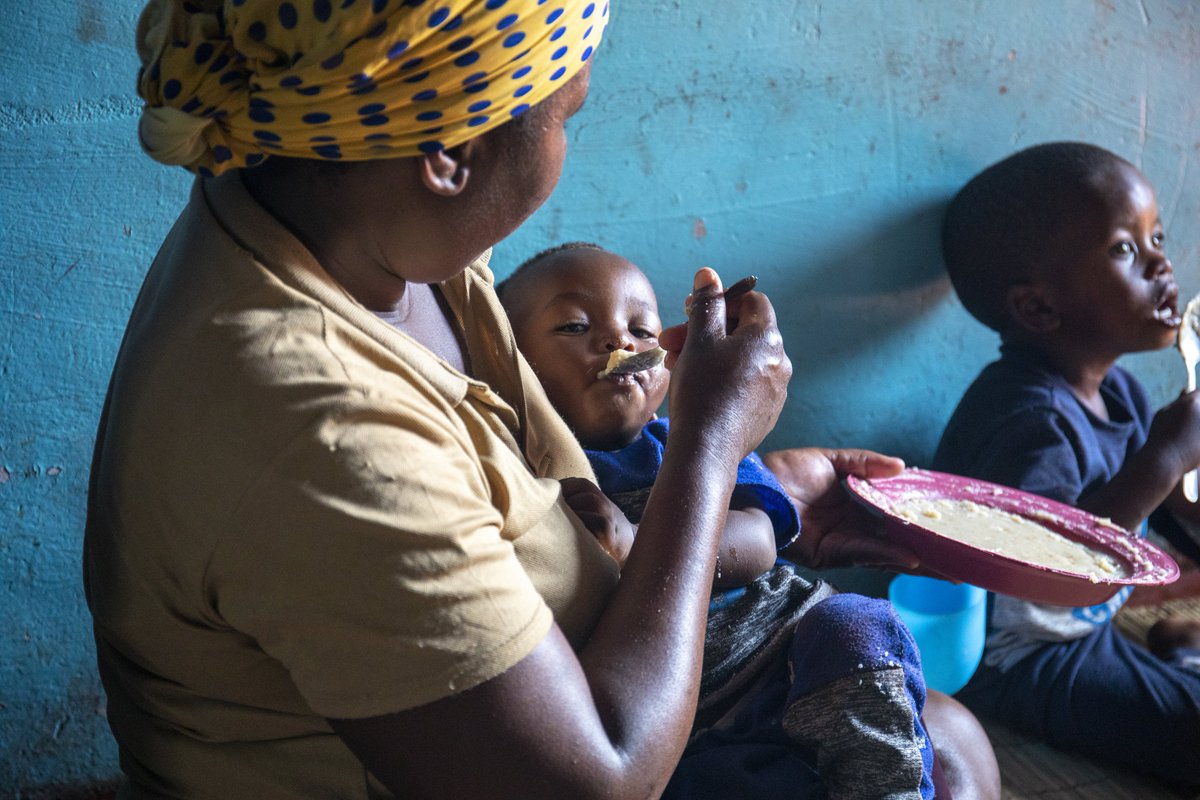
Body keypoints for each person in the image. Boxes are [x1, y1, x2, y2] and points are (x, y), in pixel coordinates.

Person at [85, 2, 993, 797]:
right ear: (450, 152)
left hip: (574, 692)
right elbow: (596, 779)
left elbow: (545, 501)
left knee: (941, 739)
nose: (565, 143)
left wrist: (775, 498)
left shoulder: (354, 224)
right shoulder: (322, 429)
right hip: (567, 763)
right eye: (569, 115)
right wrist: (709, 450)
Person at [499, 242, 962, 798]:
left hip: (791, 657)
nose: (619, 341)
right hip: (689, 726)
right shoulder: (524, 474)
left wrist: (639, 541)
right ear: (510, 369)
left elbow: (761, 539)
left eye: (642, 332)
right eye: (574, 327)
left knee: (856, 624)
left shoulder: (693, 435)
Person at [933, 140, 1200, 787]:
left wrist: (1180, 476)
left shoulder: (1120, 393)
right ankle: (1183, 661)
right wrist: (1163, 458)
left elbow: (1172, 516)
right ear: (1039, 306)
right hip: (1024, 659)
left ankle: (1181, 655)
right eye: (1125, 250)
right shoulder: (1029, 422)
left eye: (1156, 237)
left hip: (1088, 628)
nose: (1162, 263)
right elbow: (1041, 583)